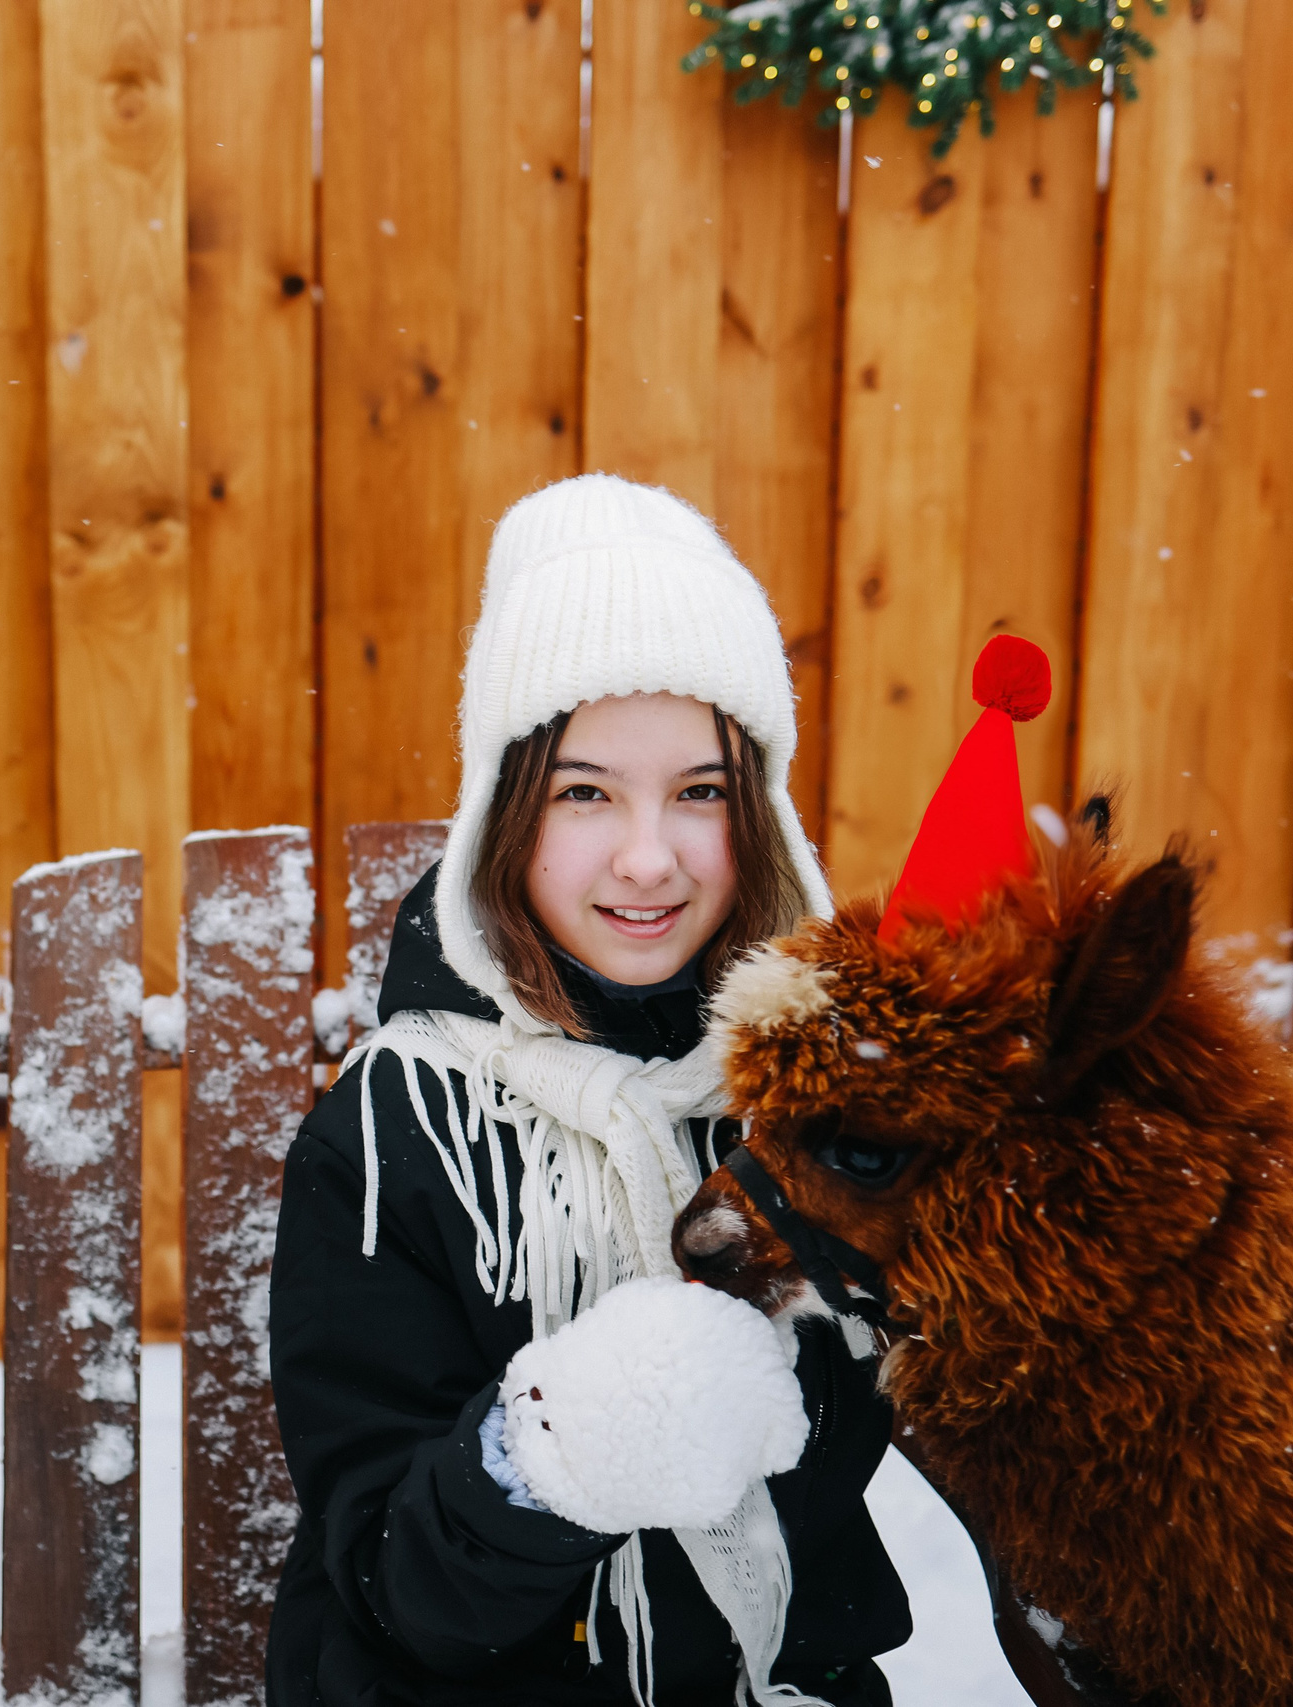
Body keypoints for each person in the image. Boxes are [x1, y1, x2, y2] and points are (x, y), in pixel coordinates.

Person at [266, 474, 909, 1706]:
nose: (648, 856)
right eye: (584, 791)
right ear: (504, 814)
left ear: (758, 813)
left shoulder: (820, 1106)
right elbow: (390, 1585)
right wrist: (558, 1455)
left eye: (700, 792)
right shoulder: (396, 1134)